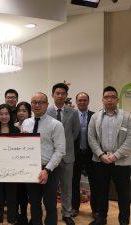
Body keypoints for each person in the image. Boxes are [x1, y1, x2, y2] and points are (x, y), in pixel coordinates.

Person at [88, 86, 131, 225]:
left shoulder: (127, 116)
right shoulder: (95, 117)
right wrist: (101, 155)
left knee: (124, 193)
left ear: (117, 100)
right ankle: (101, 219)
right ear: (102, 99)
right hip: (101, 161)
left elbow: (130, 138)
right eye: (106, 97)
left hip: (121, 161)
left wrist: (116, 155)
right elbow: (91, 138)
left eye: (112, 97)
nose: (109, 100)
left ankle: (124, 221)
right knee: (101, 191)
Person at [22, 92, 65, 225]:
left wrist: (46, 170)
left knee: (50, 204)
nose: (37, 105)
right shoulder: (26, 123)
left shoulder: (56, 124)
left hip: (50, 169)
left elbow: (60, 150)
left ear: (47, 104)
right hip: (31, 170)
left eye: (41, 102)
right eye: (34, 102)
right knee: (34, 203)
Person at [47, 83, 80, 225]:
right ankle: (50, 213)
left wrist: (63, 145)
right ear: (53, 95)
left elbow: (75, 132)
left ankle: (67, 213)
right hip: (49, 156)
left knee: (67, 187)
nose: (60, 96)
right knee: (50, 188)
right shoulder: (46, 111)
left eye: (63, 93)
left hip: (67, 156)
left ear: (66, 96)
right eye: (57, 93)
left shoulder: (72, 112)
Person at [0, 104, 20, 225]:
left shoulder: (16, 130)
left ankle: (12, 220)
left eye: (6, 114)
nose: (4, 116)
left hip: (13, 170)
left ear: (10, 115)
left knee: (12, 197)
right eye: (1, 114)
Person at [71, 92, 97, 218]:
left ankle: (95, 210)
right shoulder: (72, 115)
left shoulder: (95, 116)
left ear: (88, 101)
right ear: (76, 102)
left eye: (84, 100)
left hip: (91, 154)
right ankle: (75, 208)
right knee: (74, 182)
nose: (82, 102)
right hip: (75, 154)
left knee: (94, 183)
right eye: (80, 100)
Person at [13, 101, 32, 225]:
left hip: (29, 165)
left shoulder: (33, 125)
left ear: (29, 112)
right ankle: (22, 216)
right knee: (19, 193)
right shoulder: (13, 126)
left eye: (24, 110)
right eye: (19, 110)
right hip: (15, 165)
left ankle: (33, 216)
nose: (21, 113)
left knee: (30, 193)